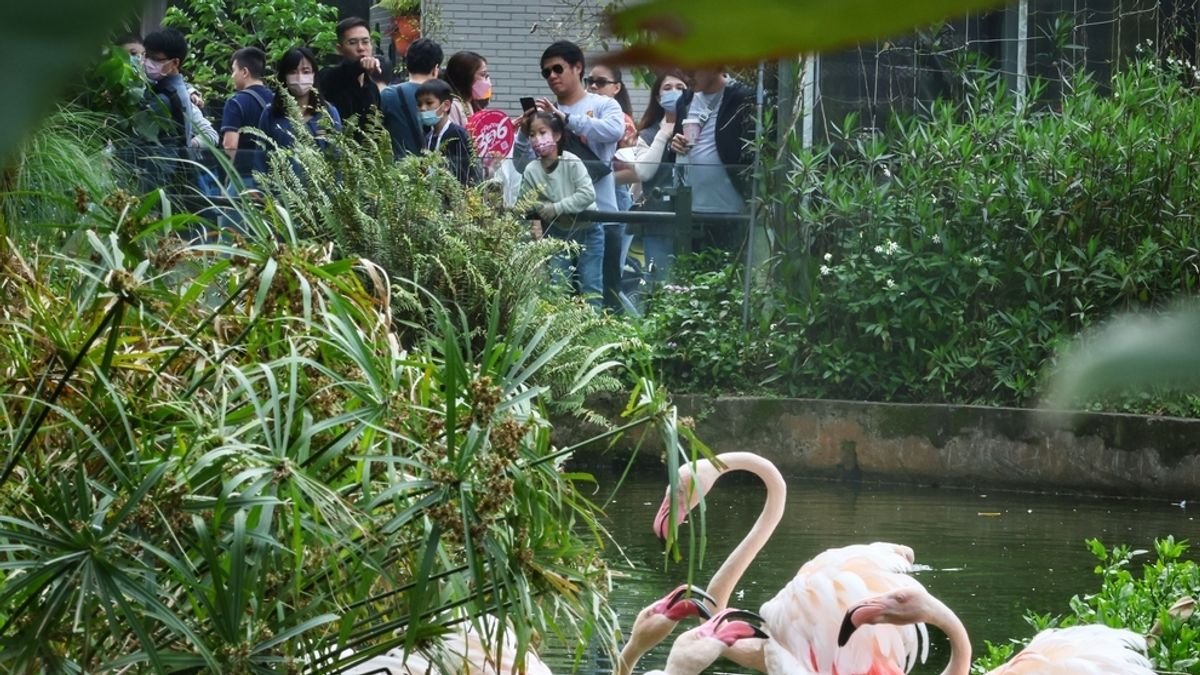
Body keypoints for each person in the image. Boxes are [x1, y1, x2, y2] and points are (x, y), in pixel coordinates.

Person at [513, 40, 624, 311]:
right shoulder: (543, 118)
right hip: (558, 224)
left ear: (578, 68)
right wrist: (525, 131)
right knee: (560, 294)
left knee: (600, 295)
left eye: (558, 68)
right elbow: (521, 165)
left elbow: (614, 131)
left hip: (601, 217)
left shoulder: (603, 104)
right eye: (546, 72)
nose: (552, 76)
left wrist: (565, 119)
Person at [665, 68, 755, 251]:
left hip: (732, 213)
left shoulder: (742, 98)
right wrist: (673, 145)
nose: (687, 75)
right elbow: (672, 152)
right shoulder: (685, 101)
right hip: (690, 210)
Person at [518, 112, 598, 302]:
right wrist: (542, 206)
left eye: (542, 132)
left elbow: (587, 194)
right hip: (556, 232)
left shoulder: (572, 162)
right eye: (532, 134)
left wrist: (556, 207)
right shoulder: (531, 169)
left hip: (587, 230)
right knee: (558, 286)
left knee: (591, 286)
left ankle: (594, 329)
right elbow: (523, 202)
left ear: (557, 135)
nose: (537, 139)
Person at [622, 69, 689, 283]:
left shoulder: (699, 130)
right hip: (658, 221)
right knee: (660, 283)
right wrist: (663, 136)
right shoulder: (649, 134)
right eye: (667, 88)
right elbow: (643, 172)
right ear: (658, 98)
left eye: (680, 88)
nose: (674, 92)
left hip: (693, 219)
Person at [586, 64, 638, 310]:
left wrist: (599, 177)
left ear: (616, 88)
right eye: (590, 81)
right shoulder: (584, 113)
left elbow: (632, 171)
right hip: (587, 198)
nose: (594, 86)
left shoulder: (622, 122)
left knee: (610, 269)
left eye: (601, 82)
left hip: (613, 197)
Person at [260, 47, 343, 152]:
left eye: (306, 71)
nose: (299, 77)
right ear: (284, 77)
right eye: (293, 72)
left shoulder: (328, 113)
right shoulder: (270, 113)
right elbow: (261, 157)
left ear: (314, 74)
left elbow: (337, 157)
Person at [219, 47, 274, 187]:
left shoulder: (236, 102)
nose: (232, 76)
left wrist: (227, 178)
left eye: (233, 70)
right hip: (273, 178)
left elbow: (230, 145)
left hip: (244, 178)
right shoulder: (277, 100)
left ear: (244, 72)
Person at [380, 37, 443, 159]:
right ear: (435, 69)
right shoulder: (443, 97)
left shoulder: (389, 94)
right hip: (435, 173)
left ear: (407, 64)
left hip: (397, 172)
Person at [415, 79, 479, 186]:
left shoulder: (458, 135)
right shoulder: (427, 137)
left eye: (429, 103)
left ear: (446, 105)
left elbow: (467, 173)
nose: (423, 108)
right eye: (420, 104)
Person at [318, 17, 381, 125]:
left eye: (365, 42)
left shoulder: (372, 87)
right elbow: (347, 72)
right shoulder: (331, 77)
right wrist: (361, 67)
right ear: (339, 49)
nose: (361, 48)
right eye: (352, 43)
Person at [140, 29, 194, 150]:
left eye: (155, 59)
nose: (147, 62)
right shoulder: (175, 89)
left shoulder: (164, 98)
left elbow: (135, 131)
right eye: (146, 55)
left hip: (158, 166)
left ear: (175, 62)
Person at [443, 50, 491, 127]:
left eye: (487, 76)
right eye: (483, 75)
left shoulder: (469, 103)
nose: (488, 82)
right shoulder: (452, 106)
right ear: (465, 76)